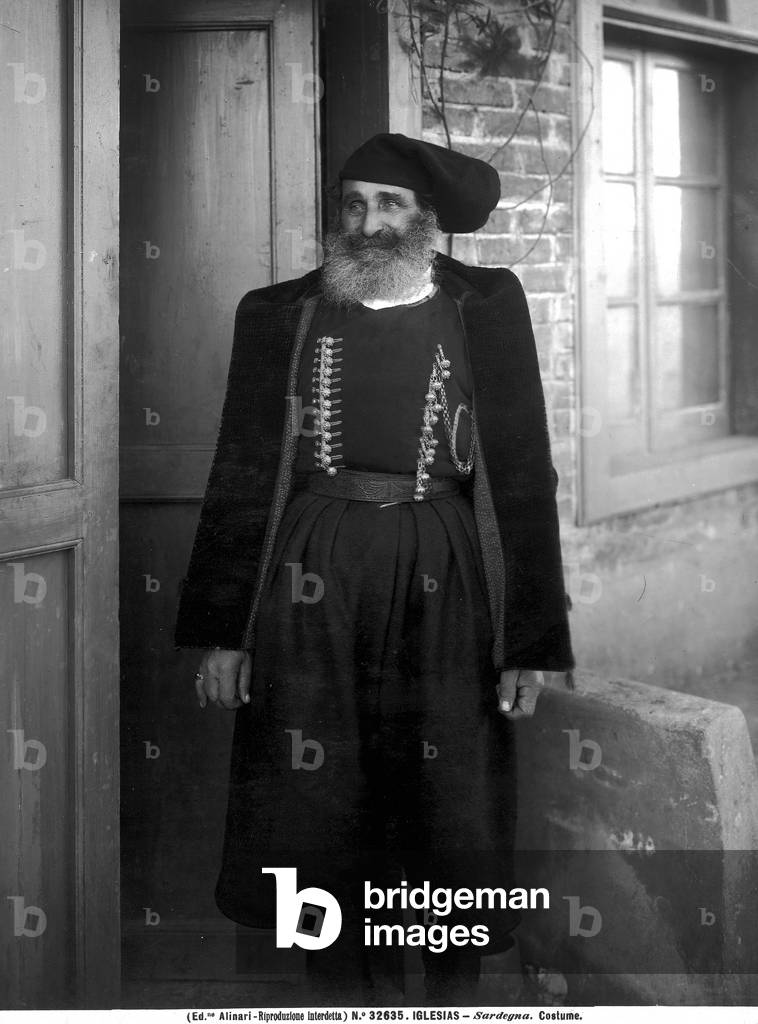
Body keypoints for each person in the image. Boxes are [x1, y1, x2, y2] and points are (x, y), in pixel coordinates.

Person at [174, 132, 574, 1005]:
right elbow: (241, 471)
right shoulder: (278, 312)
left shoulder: (486, 305)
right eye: (354, 205)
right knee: (315, 791)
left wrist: (531, 641)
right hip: (308, 575)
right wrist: (220, 634)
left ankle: (448, 993)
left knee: (449, 786)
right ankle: (343, 991)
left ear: (426, 220)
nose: (369, 223)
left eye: (389, 206)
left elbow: (521, 468)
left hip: (449, 572)